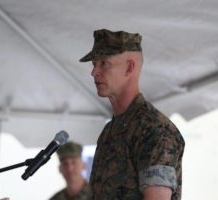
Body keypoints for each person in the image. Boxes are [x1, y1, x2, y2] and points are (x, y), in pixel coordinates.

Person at [79, 29, 185, 200]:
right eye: (94, 64)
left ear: (129, 67)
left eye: (104, 63)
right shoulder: (110, 130)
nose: (94, 72)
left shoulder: (154, 130)